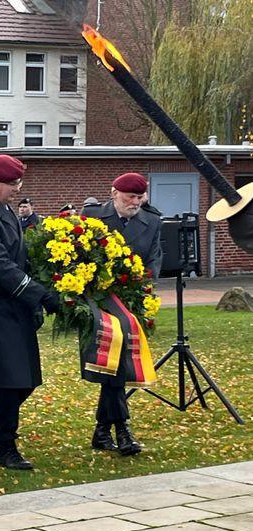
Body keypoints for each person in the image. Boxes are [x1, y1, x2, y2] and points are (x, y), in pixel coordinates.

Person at [0, 155, 60, 470]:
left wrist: (38, 294)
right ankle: (5, 445)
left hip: (13, 306)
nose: (17, 189)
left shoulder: (3, 209)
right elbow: (0, 266)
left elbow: (19, 259)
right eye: (12, 184)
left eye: (18, 183)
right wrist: (40, 295)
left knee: (26, 378)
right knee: (9, 380)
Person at [81, 172, 163, 456]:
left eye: (140, 197)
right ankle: (120, 430)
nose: (135, 202)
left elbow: (154, 259)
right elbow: (80, 255)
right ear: (114, 193)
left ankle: (106, 431)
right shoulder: (93, 216)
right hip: (99, 302)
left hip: (130, 300)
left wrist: (143, 285)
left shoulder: (151, 221)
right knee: (111, 365)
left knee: (118, 367)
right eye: (130, 197)